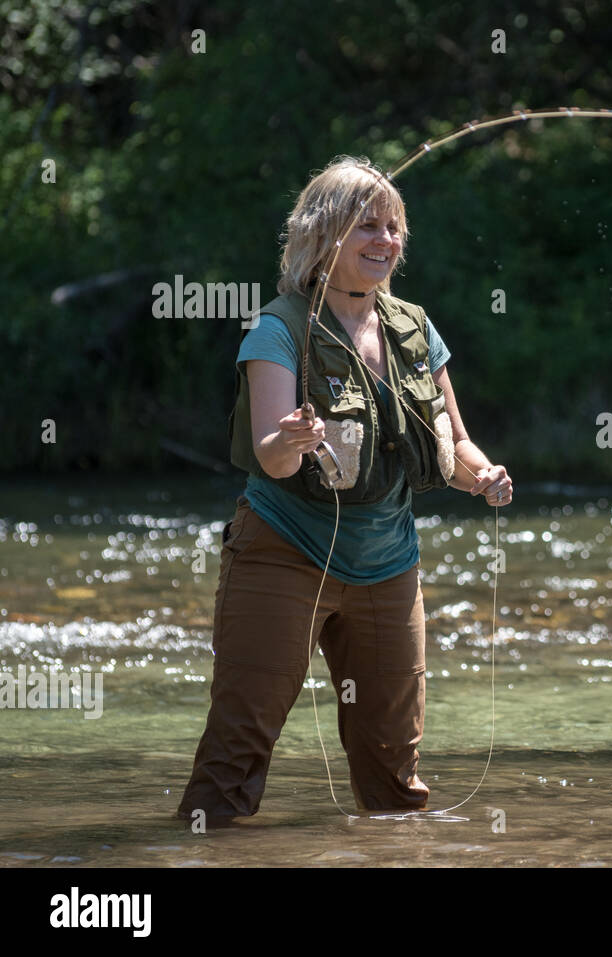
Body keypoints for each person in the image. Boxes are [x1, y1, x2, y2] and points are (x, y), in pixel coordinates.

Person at [176, 156, 512, 823]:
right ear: (323, 235)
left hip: (389, 564)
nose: (385, 241)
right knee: (236, 751)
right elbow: (272, 458)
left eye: (394, 228)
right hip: (284, 552)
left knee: (395, 775)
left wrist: (486, 476)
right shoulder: (277, 330)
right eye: (367, 226)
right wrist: (293, 437)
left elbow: (454, 446)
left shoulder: (416, 330)